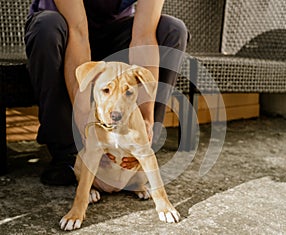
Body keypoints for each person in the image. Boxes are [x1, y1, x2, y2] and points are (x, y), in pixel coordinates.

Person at [25, 0, 188, 186]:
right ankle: (67, 154)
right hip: (66, 29)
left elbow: (144, 38)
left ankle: (139, 152)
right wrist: (86, 126)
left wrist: (146, 118)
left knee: (172, 29)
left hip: (114, 33)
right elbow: (78, 33)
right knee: (47, 27)